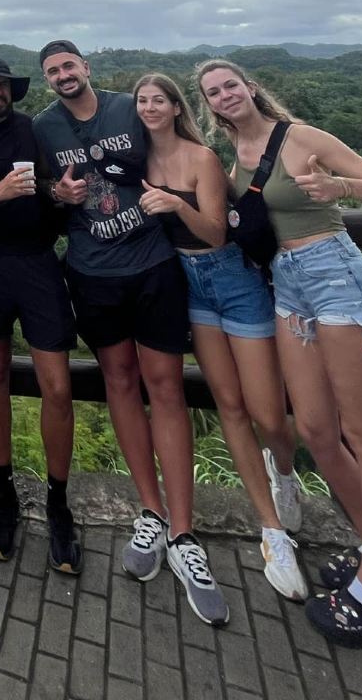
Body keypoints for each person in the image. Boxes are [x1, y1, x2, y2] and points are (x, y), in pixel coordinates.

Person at [196, 59, 362, 647]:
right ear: (209, 106)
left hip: (336, 274)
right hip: (288, 284)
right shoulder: (235, 157)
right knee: (316, 429)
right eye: (213, 92)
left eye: (230, 84)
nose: (224, 95)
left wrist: (343, 188)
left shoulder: (302, 137)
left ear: (250, 88)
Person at [32, 40, 229, 627]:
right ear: (47, 80)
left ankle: (185, 534)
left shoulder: (129, 108)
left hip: (151, 264)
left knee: (165, 387)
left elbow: (176, 150)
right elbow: (43, 190)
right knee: (119, 382)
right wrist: (57, 193)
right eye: (53, 71)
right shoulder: (44, 127)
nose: (63, 75)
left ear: (85, 67)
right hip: (91, 273)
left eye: (69, 65)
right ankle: (151, 511)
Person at [133, 72, 307, 602]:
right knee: (229, 406)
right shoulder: (139, 160)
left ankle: (284, 472)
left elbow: (215, 230)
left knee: (267, 413)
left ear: (176, 107)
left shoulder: (202, 157)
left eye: (158, 99)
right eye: (141, 101)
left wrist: (176, 205)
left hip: (232, 279)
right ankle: (272, 531)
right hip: (189, 286)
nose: (149, 107)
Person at [0, 56, 80, 572]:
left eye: (3, 84)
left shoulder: (31, 129)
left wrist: (58, 192)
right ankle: (4, 490)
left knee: (59, 386)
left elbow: (47, 183)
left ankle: (58, 500)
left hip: (39, 262)